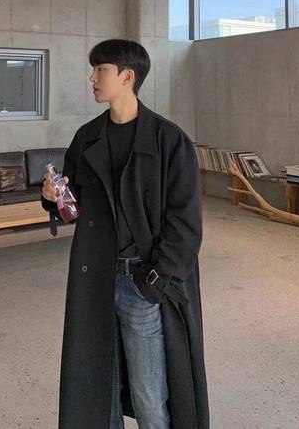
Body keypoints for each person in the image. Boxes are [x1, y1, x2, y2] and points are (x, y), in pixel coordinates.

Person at [42, 38, 209, 429]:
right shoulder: (87, 137)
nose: (92, 78)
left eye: (101, 70)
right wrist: (53, 197)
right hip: (96, 281)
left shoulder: (169, 140)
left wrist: (155, 281)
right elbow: (73, 208)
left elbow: (185, 223)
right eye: (94, 70)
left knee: (151, 397)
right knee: (100, 389)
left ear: (127, 77)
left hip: (143, 283)